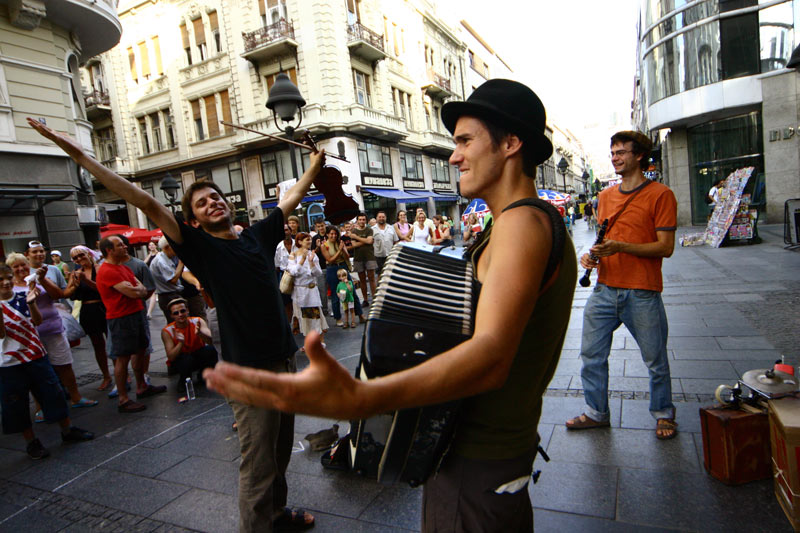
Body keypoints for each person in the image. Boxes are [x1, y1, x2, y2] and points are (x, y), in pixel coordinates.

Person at [201, 79, 577, 532]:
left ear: (512, 143)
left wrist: (364, 397)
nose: (454, 155)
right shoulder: (525, 222)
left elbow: (492, 357)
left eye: (464, 140)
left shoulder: (521, 223)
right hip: (490, 450)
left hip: (479, 456)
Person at [27, 115, 319, 532]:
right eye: (201, 203)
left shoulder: (256, 235)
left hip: (283, 360)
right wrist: (75, 152)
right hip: (248, 370)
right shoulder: (198, 245)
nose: (212, 202)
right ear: (193, 221)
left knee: (280, 449)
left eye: (215, 196)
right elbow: (144, 201)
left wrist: (315, 162)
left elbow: (292, 196)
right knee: (258, 461)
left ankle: (276, 513)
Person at [565, 130, 678, 441]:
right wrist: (593, 257)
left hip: (642, 290)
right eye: (612, 152)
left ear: (639, 155)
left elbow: (665, 247)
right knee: (591, 354)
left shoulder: (661, 195)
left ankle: (663, 413)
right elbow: (606, 241)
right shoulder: (604, 197)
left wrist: (621, 247)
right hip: (605, 289)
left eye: (621, 152)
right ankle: (596, 413)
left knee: (655, 358)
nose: (614, 158)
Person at [0, 263, 94, 460]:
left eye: (7, 278)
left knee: (54, 392)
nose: (6, 282)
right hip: (9, 363)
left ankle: (67, 430)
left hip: (36, 355)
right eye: (1, 280)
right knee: (17, 404)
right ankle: (31, 442)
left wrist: (32, 303)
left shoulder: (22, 297)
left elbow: (37, 321)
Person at [7, 253, 97, 411]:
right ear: (10, 270)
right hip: (30, 335)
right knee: (36, 371)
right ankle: (40, 407)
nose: (21, 269)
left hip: (53, 328)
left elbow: (58, 295)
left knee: (64, 364)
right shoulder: (9, 287)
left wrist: (41, 280)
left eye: (23, 265)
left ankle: (75, 397)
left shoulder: (38, 278)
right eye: (16, 267)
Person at [96, 236, 166, 412]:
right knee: (123, 358)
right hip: (121, 318)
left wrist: (137, 290)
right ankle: (123, 399)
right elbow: (136, 292)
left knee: (141, 351)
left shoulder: (123, 268)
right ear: (109, 250)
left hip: (136, 314)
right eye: (120, 245)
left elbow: (141, 290)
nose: (125, 246)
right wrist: (137, 290)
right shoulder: (107, 270)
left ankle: (142, 386)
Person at [64, 245, 114, 390]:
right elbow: (69, 294)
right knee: (97, 345)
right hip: (88, 310)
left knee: (112, 342)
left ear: (89, 254)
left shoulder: (100, 269)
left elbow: (103, 288)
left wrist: (86, 281)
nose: (79, 259)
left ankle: (122, 373)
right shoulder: (76, 273)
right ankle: (106, 375)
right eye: (75, 257)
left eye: (81, 255)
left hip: (103, 308)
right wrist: (73, 283)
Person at [161, 298, 217, 388]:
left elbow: (211, 341)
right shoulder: (167, 331)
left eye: (182, 311)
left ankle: (204, 375)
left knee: (211, 350)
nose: (180, 315)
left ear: (187, 311)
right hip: (182, 360)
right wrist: (180, 343)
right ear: (171, 316)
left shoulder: (198, 321)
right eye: (176, 313)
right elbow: (171, 357)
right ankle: (184, 380)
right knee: (186, 359)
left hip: (197, 354)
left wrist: (200, 334)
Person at [288, 233, 328, 346]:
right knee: (304, 319)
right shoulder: (293, 255)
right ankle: (309, 344)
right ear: (300, 242)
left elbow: (318, 273)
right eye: (307, 240)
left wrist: (311, 262)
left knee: (316, 317)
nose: (310, 242)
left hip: (312, 292)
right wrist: (302, 260)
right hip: (300, 292)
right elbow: (293, 272)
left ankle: (321, 342)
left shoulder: (313, 255)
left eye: (310, 240)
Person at [320, 226, 364, 328]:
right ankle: (338, 318)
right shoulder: (324, 245)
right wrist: (339, 250)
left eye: (335, 234)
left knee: (351, 290)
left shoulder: (339, 242)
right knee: (336, 294)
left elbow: (347, 255)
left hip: (343, 267)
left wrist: (342, 249)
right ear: (327, 234)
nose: (333, 236)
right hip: (332, 269)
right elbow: (330, 259)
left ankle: (360, 314)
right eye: (331, 233)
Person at [150, 236, 187, 319]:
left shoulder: (167, 258)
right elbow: (173, 280)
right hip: (169, 296)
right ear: (167, 247)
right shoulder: (161, 261)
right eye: (174, 246)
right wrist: (181, 263)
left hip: (171, 294)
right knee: (176, 322)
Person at [349, 213, 377, 305]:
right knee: (362, 280)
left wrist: (357, 238)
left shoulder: (369, 230)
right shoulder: (353, 231)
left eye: (363, 219)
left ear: (366, 220)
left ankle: (374, 298)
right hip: (358, 258)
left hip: (370, 256)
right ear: (357, 220)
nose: (361, 221)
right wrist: (366, 241)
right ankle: (365, 299)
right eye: (360, 219)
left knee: (372, 278)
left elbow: (369, 241)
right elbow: (354, 245)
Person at [309, 219, 329, 314]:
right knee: (322, 290)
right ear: (316, 227)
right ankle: (324, 309)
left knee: (334, 288)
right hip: (321, 267)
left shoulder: (330, 235)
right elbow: (312, 253)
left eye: (322, 225)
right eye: (319, 226)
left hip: (331, 265)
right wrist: (317, 246)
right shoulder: (315, 238)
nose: (321, 228)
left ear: (325, 225)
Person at [372, 210, 398, 275]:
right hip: (378, 256)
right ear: (376, 218)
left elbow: (396, 241)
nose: (381, 218)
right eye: (379, 217)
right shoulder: (372, 229)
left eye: (383, 217)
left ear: (386, 218)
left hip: (390, 256)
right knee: (379, 275)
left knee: (391, 274)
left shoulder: (391, 228)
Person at [144, 242, 159, 318]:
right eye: (150, 245)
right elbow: (144, 263)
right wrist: (150, 254)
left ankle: (149, 312)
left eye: (153, 245)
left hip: (158, 276)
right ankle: (149, 313)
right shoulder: (149, 255)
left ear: (155, 246)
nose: (152, 246)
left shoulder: (159, 254)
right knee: (153, 294)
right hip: (151, 276)